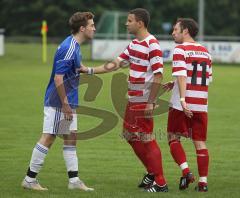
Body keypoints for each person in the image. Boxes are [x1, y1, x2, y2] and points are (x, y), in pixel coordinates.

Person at [81, 8, 168, 193]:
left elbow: (159, 75)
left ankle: (160, 182)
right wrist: (88, 70)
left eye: (129, 20)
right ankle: (152, 173)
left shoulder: (152, 44)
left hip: (144, 97)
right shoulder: (135, 44)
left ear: (140, 23)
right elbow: (115, 64)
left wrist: (151, 101)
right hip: (133, 98)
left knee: (146, 137)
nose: (126, 23)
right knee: (130, 135)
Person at [21, 12, 96, 191]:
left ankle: (74, 180)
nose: (94, 28)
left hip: (68, 102)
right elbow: (58, 78)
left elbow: (79, 69)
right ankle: (29, 179)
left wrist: (102, 68)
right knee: (49, 137)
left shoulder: (75, 46)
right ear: (82, 28)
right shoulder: (69, 47)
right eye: (92, 25)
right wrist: (65, 104)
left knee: (70, 138)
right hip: (59, 103)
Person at [165, 18, 212, 192]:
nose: (173, 33)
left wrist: (183, 100)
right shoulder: (206, 52)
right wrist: (174, 82)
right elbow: (206, 79)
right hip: (201, 103)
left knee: (172, 137)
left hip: (181, 103)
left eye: (175, 29)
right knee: (199, 143)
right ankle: (203, 183)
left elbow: (184, 75)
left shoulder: (180, 49)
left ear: (185, 31)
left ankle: (186, 171)